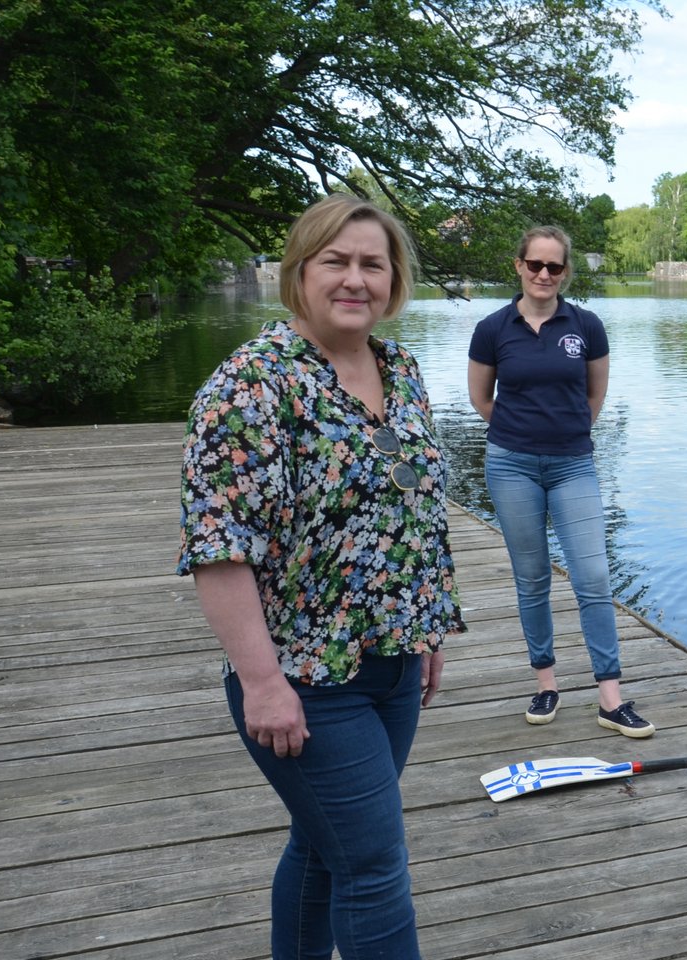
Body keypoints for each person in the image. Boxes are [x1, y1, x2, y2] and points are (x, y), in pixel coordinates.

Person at [179, 193, 464, 959]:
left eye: (373, 263)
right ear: (300, 271)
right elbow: (218, 546)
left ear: (394, 279)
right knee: (373, 866)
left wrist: (424, 623)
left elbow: (413, 511)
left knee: (322, 847)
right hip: (307, 677)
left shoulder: (398, 369)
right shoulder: (253, 385)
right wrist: (263, 682)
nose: (355, 279)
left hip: (394, 663)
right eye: (335, 261)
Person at [468, 226, 652, 737]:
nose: (544, 274)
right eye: (535, 265)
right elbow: (481, 398)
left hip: (573, 464)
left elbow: (596, 397)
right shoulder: (492, 328)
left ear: (565, 272)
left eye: (554, 267)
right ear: (519, 266)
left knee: (593, 577)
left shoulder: (587, 325)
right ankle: (546, 683)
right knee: (532, 579)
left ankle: (610, 698)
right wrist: (518, 433)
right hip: (511, 465)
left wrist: (567, 431)